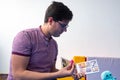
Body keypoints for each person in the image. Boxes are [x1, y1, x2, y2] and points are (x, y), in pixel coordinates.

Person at [7, 1, 84, 80]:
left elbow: (51, 71)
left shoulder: (53, 44)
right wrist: (57, 74)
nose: (65, 30)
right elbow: (18, 74)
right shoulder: (25, 37)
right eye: (63, 25)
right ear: (50, 21)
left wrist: (68, 73)